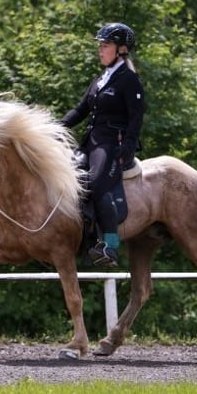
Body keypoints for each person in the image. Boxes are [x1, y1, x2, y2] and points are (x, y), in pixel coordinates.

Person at [60, 22, 145, 268]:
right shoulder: (100, 80)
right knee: (69, 178)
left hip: (112, 145)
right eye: (100, 45)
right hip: (91, 142)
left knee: (97, 184)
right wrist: (55, 128)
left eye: (105, 45)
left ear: (120, 50)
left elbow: (136, 116)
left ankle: (110, 245)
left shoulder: (129, 80)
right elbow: (80, 110)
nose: (100, 50)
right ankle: (83, 235)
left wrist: (128, 147)